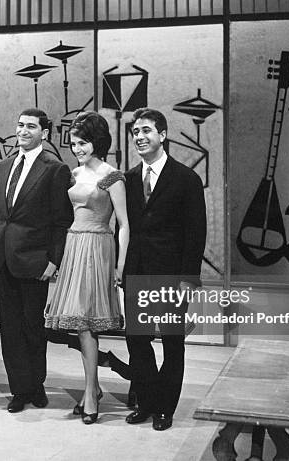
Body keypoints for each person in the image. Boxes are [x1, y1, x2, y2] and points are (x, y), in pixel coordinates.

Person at [0, 108, 74, 413]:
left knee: (33, 327)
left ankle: (37, 385)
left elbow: (62, 221)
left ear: (44, 133)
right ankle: (19, 390)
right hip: (3, 258)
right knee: (10, 329)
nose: (23, 131)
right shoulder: (6, 165)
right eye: (20, 125)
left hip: (35, 261)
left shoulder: (54, 168)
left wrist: (54, 261)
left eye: (31, 127)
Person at [123, 108, 206, 431]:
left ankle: (164, 408)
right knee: (137, 341)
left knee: (172, 343)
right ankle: (147, 400)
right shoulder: (128, 179)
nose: (140, 137)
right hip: (137, 273)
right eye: (135, 132)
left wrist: (188, 278)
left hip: (172, 276)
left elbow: (196, 231)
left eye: (146, 131)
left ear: (163, 134)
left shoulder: (186, 178)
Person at [44, 111, 129, 424]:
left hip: (98, 246)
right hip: (74, 245)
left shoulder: (112, 176)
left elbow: (123, 224)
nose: (77, 148)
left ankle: (91, 394)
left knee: (87, 323)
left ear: (97, 141)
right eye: (74, 143)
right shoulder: (74, 174)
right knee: (80, 323)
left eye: (82, 143)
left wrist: (120, 264)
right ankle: (92, 389)